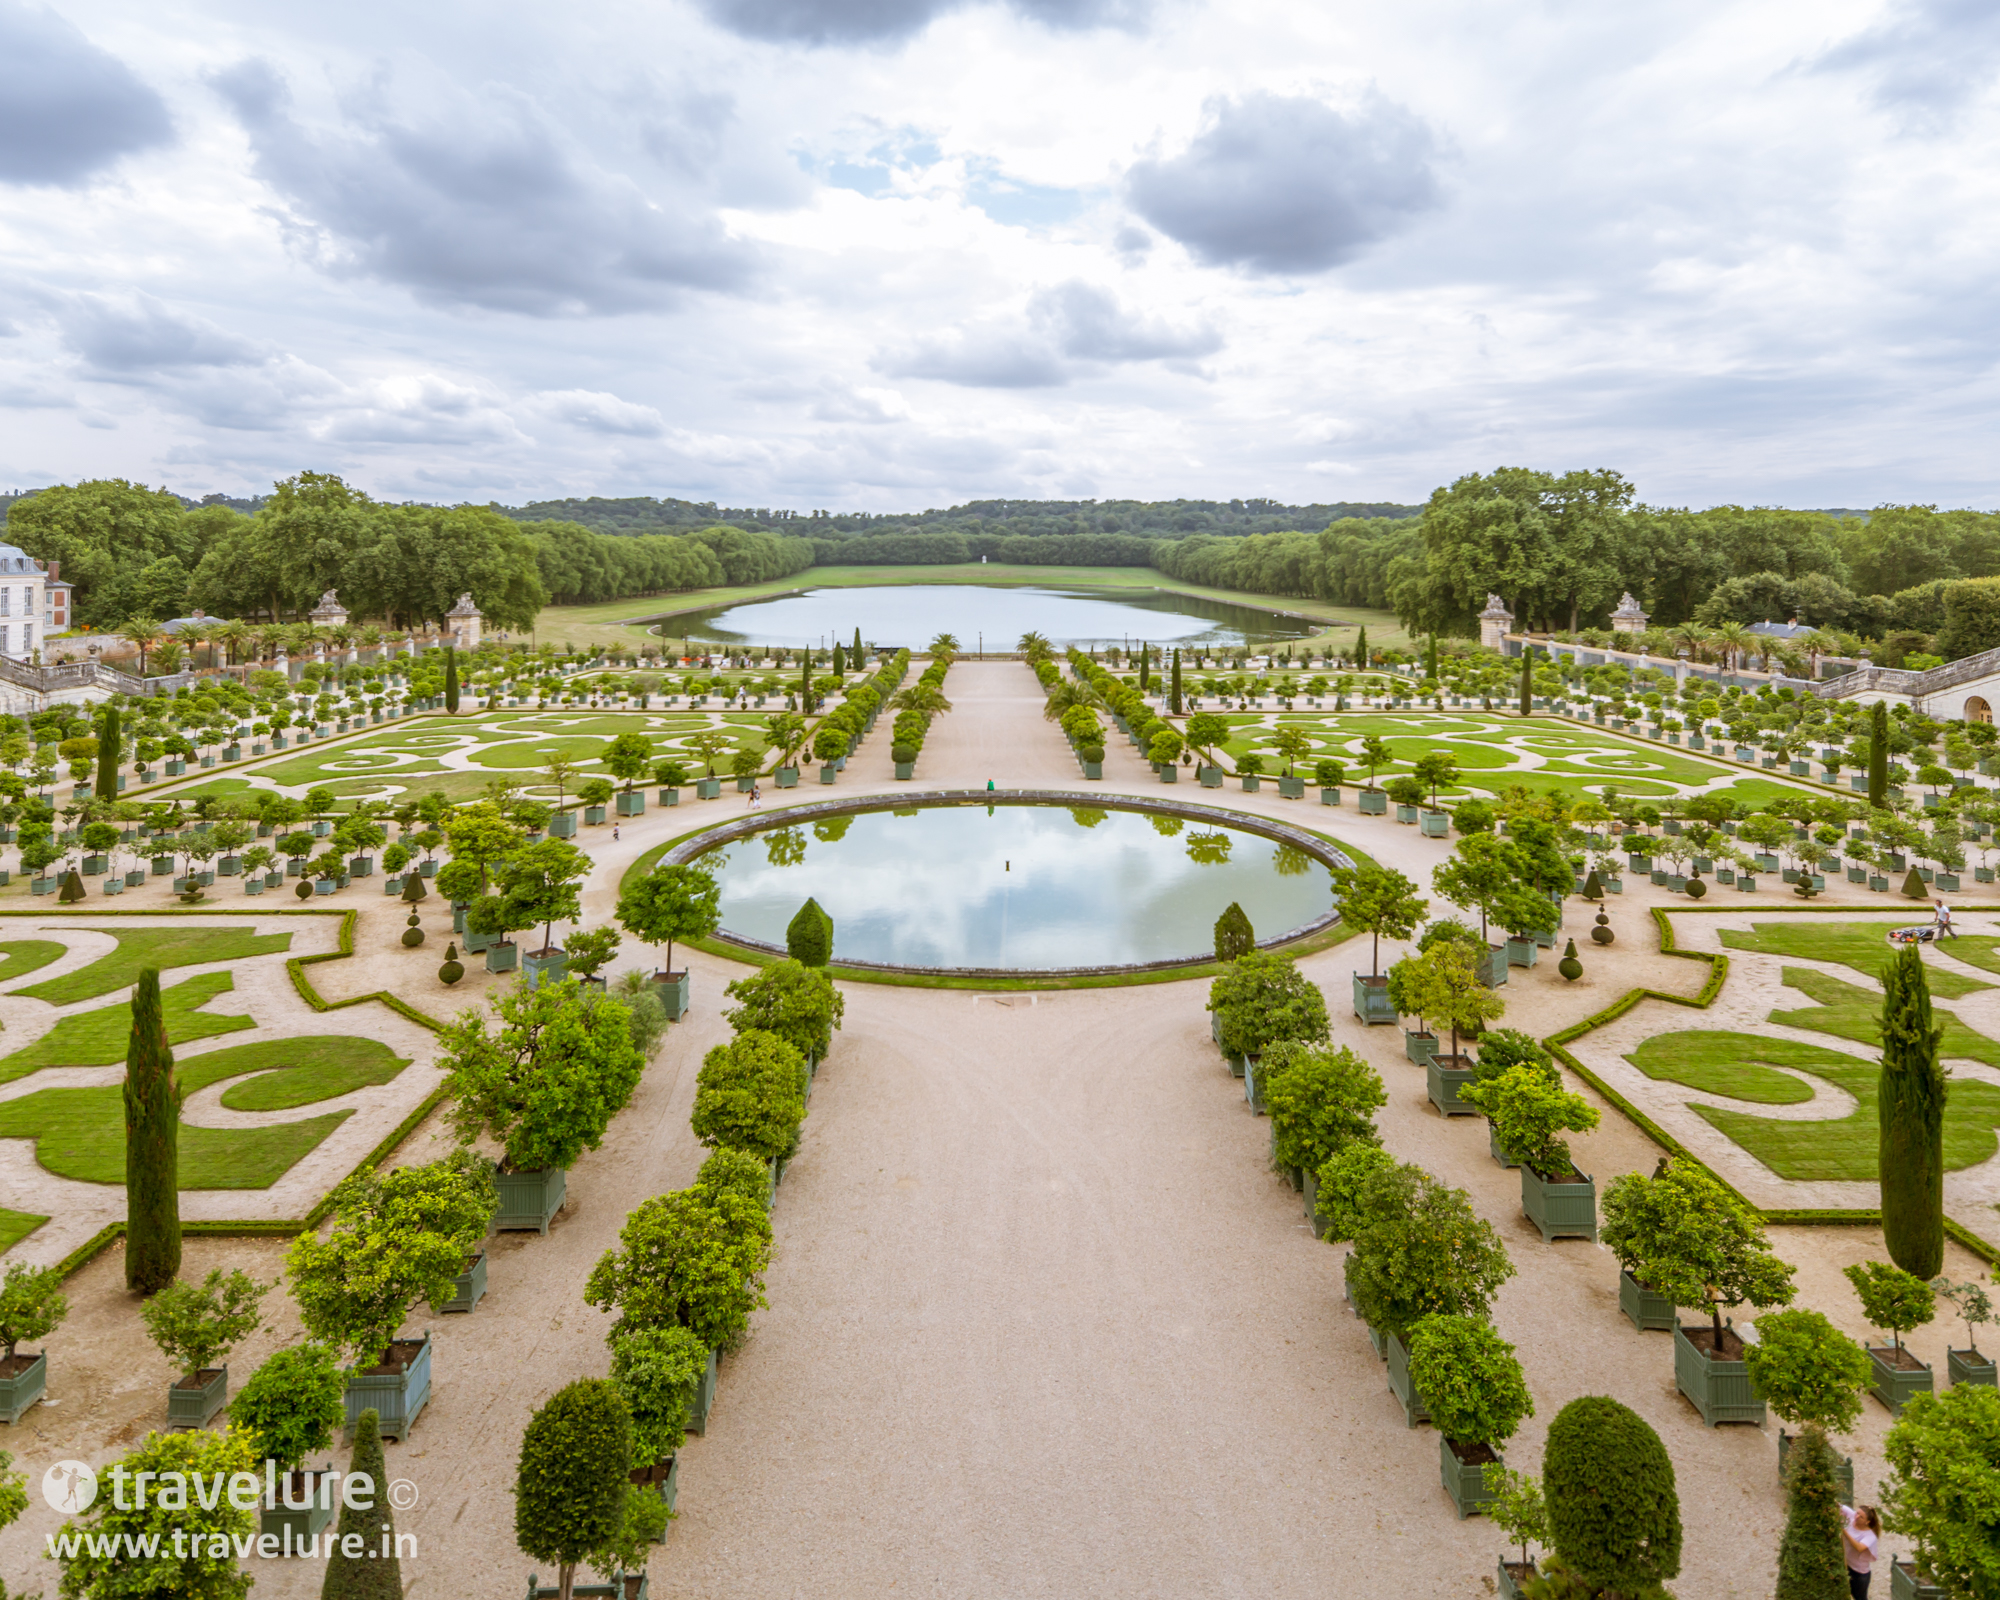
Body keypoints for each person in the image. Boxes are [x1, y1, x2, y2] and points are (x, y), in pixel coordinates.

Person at [1841, 1504, 1879, 1598]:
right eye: (1857, 1513)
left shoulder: (1870, 1536)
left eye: (1861, 1517)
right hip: (1847, 1566)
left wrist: (1844, 1531)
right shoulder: (1852, 1516)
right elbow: (1838, 1505)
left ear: (1867, 1522)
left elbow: (1859, 1547)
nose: (1857, 1516)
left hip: (1859, 1573)